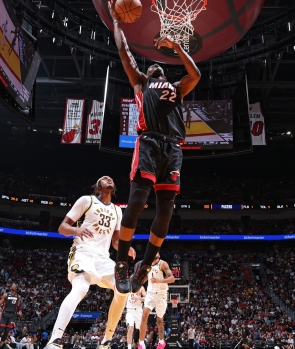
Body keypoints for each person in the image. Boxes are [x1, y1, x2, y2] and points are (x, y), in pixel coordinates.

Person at [106, 0, 201, 294]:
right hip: (148, 144)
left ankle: (144, 266)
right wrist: (117, 22)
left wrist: (177, 47)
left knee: (165, 214)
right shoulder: (141, 82)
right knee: (135, 204)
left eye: (160, 64)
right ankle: (122, 262)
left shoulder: (177, 87)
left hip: (172, 149)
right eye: (153, 64)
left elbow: (196, 74)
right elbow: (124, 53)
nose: (155, 65)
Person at [45, 176, 136, 349]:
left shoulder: (117, 210)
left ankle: (106, 340)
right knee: (81, 288)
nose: (109, 179)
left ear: (114, 187)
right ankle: (55, 339)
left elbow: (115, 241)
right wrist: (76, 229)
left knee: (123, 289)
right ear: (98, 187)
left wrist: (125, 249)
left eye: (111, 179)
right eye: (104, 178)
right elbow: (62, 227)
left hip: (103, 258)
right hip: (83, 251)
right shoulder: (87, 200)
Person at [138, 254, 176, 349]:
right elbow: (146, 278)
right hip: (150, 294)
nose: (156, 253)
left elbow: (172, 278)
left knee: (159, 321)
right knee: (144, 316)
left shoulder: (162, 264)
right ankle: (141, 344)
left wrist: (159, 281)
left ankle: (161, 342)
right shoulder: (147, 265)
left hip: (161, 295)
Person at [0, 284, 22, 348]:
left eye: (15, 286)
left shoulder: (18, 296)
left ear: (16, 288)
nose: (14, 286)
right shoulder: (6, 295)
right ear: (10, 287)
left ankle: (0, 346)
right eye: (13, 285)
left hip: (12, 315)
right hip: (5, 313)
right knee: (1, 329)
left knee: (7, 331)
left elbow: (18, 306)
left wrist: (20, 311)